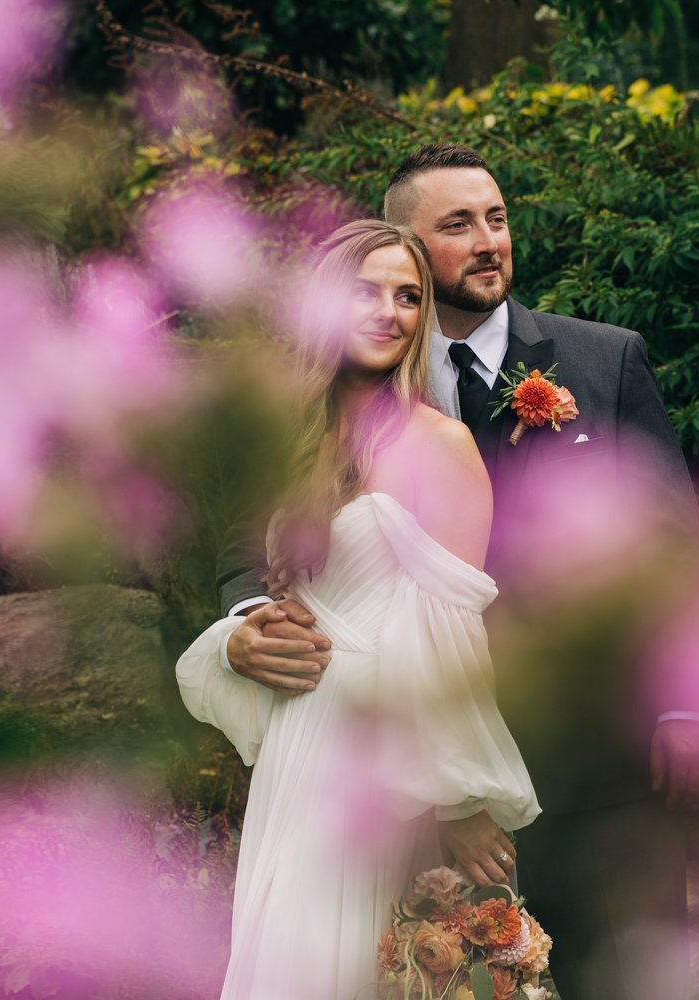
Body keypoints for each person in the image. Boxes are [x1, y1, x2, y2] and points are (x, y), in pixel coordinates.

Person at [220, 145, 699, 997]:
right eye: (457, 225)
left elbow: (673, 540)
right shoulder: (341, 402)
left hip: (596, 752)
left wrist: (690, 702)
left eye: (497, 218)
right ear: (407, 246)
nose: (489, 241)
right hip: (409, 771)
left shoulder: (604, 360)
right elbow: (247, 543)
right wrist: (254, 622)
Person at [177, 219, 539, 999]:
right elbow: (255, 577)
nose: (389, 310)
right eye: (364, 290)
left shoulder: (442, 444)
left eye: (408, 296)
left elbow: (454, 635)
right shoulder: (285, 444)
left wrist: (461, 795)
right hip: (300, 747)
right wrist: (244, 633)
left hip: (395, 761)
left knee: (380, 968)